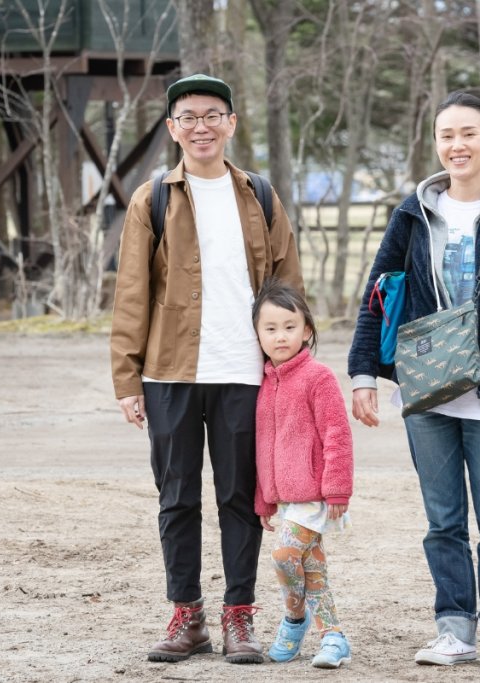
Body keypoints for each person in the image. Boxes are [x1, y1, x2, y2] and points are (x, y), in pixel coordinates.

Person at [347, 91, 480, 669]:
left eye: (469, 133)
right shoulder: (413, 213)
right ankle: (453, 629)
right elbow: (378, 295)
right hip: (426, 391)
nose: (457, 145)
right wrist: (364, 372)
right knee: (442, 521)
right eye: (446, 135)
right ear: (436, 144)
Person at [109, 73, 304, 664]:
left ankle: (238, 616)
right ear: (172, 129)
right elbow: (131, 295)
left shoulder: (261, 197)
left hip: (245, 372)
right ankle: (187, 616)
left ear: (231, 124)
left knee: (241, 498)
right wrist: (126, 378)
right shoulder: (153, 199)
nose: (201, 126)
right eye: (188, 117)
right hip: (169, 374)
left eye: (212, 115)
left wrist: (291, 368)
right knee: (176, 498)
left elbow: (288, 290)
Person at [251, 278, 354, 669]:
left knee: (283, 554)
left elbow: (336, 434)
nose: (281, 337)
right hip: (285, 497)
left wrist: (337, 488)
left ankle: (294, 620)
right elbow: (262, 445)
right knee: (313, 568)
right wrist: (264, 498)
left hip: (316, 494)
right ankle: (333, 638)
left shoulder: (318, 377)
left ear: (307, 330)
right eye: (271, 329)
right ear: (258, 333)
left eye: (290, 327)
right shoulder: (262, 385)